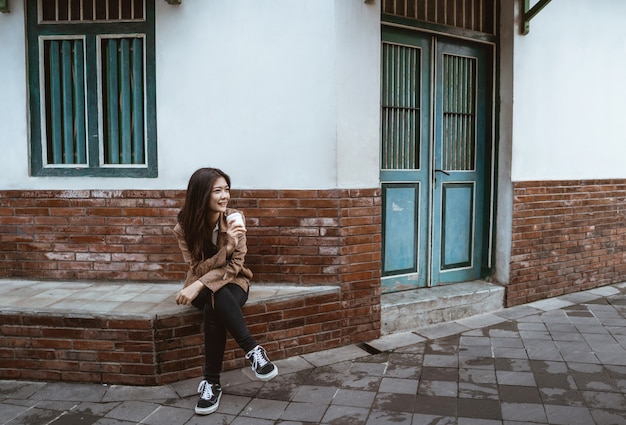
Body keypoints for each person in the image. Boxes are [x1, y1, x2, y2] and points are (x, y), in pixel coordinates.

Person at [173, 167, 278, 415]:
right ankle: (253, 350)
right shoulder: (184, 227)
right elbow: (197, 267)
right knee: (214, 298)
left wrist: (199, 283)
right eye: (217, 190)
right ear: (201, 194)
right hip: (204, 285)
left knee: (214, 303)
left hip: (234, 282)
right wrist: (226, 248)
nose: (225, 196)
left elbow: (235, 267)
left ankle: (212, 383)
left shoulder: (234, 219)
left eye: (227, 189)